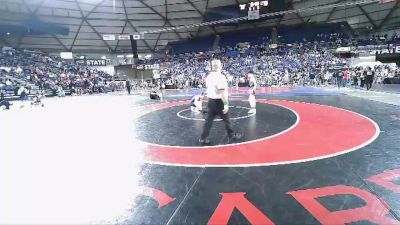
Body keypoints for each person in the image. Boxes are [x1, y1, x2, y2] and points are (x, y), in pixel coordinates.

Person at [199, 59, 242, 145]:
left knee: (208, 121)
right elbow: (222, 92)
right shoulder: (220, 77)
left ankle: (203, 138)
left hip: (211, 101)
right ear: (220, 66)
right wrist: (226, 104)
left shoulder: (209, 76)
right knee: (227, 120)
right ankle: (231, 134)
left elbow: (208, 89)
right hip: (219, 101)